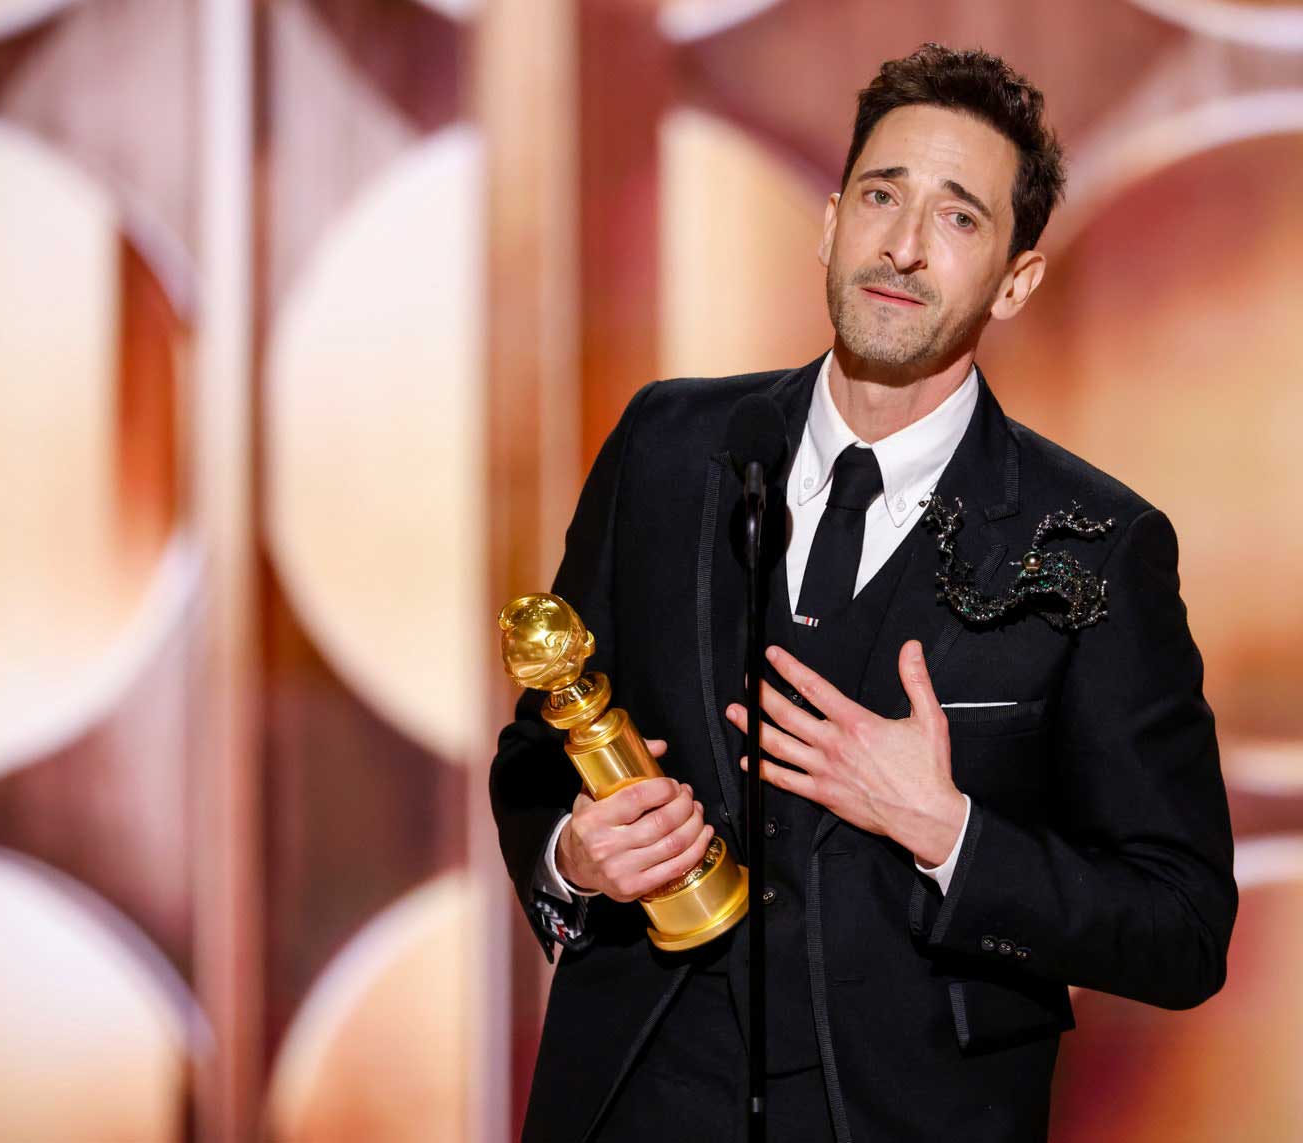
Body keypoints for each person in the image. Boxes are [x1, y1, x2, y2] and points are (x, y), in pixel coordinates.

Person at [490, 43, 1236, 1143]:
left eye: (959, 218)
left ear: (1017, 279)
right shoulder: (666, 446)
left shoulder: (1097, 546)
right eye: (882, 196)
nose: (902, 245)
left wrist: (950, 833)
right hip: (634, 1104)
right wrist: (574, 856)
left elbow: (1179, 929)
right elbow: (535, 749)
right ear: (831, 221)